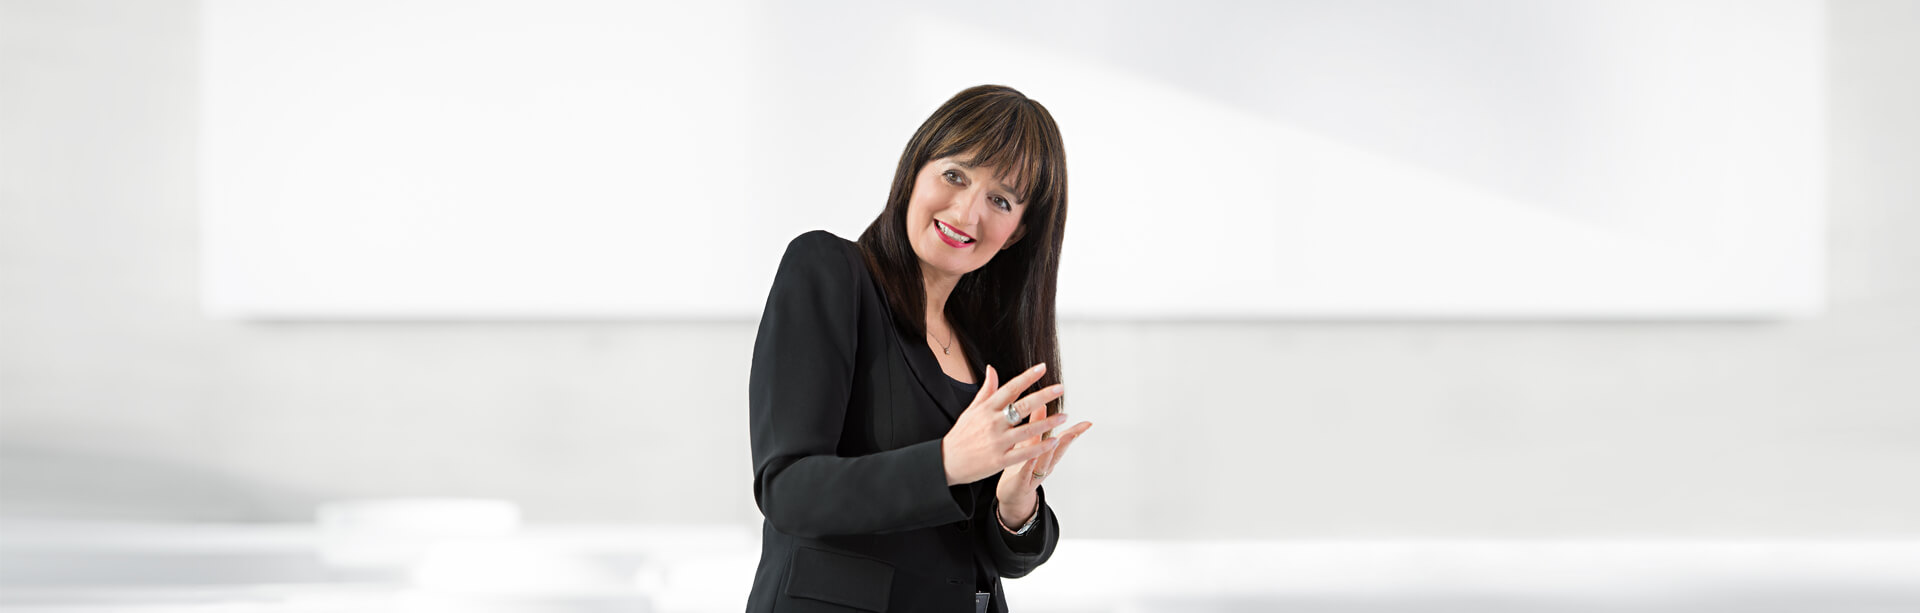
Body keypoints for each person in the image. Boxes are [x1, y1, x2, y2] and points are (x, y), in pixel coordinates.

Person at [745, 84, 1095, 613]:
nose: (967, 213)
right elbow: (787, 490)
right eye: (955, 175)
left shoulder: (986, 347)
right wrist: (947, 462)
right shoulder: (830, 272)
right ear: (916, 168)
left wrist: (1015, 507)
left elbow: (983, 555)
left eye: (1000, 200)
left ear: (1018, 232)